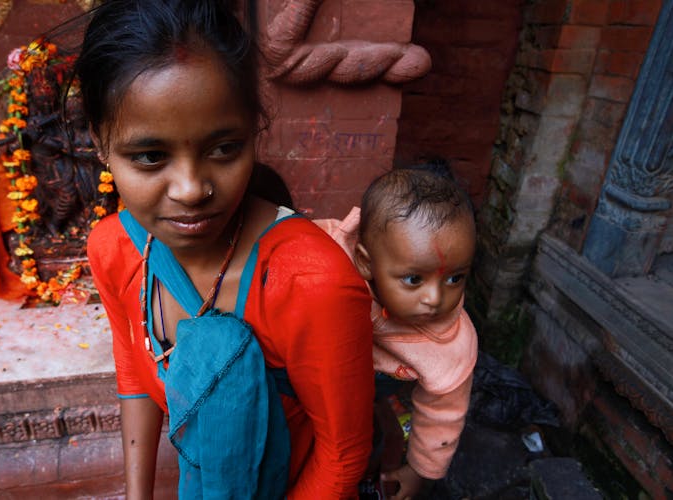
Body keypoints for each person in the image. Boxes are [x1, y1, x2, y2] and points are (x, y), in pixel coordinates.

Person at [76, 1, 374, 497]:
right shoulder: (114, 250)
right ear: (101, 143)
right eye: (150, 157)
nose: (192, 189)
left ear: (254, 130)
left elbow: (342, 456)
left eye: (223, 149)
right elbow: (133, 365)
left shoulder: (309, 282)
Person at [316, 163, 478, 499]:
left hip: (381, 384)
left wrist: (420, 470)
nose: (435, 298)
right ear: (365, 262)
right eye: (414, 279)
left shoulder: (451, 345)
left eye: (454, 278)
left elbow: (442, 414)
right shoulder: (328, 252)